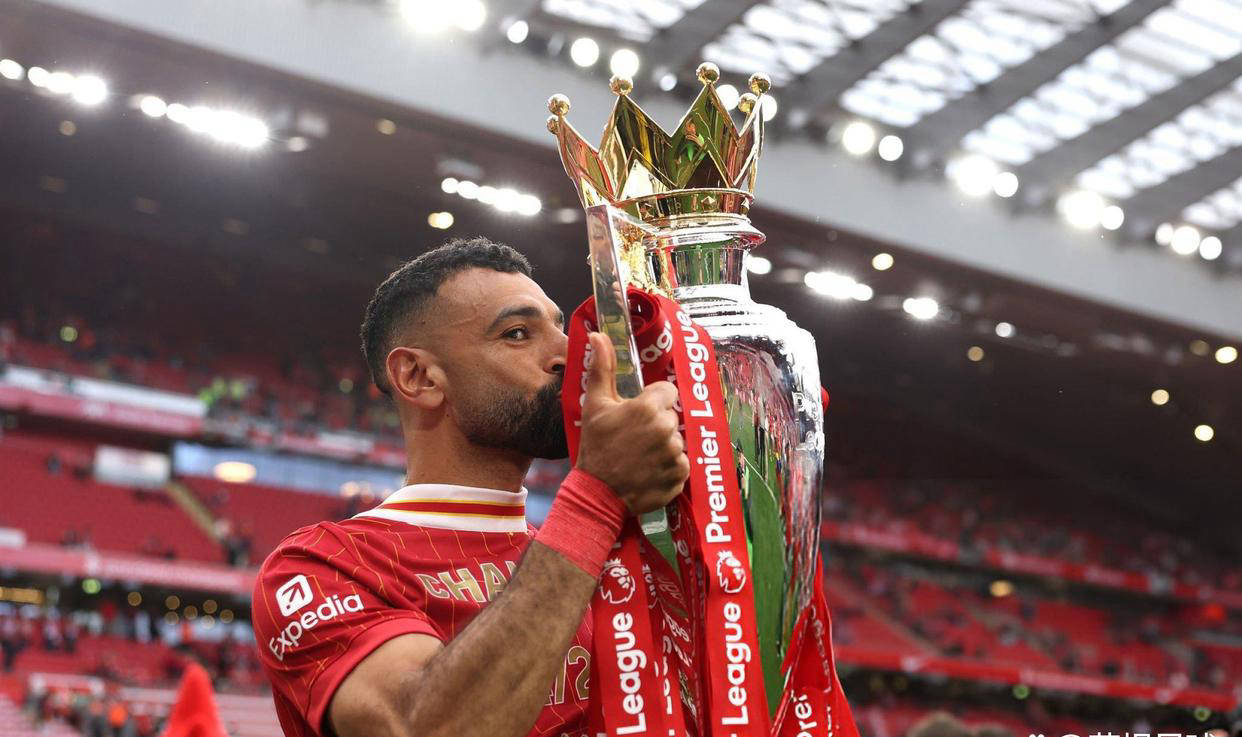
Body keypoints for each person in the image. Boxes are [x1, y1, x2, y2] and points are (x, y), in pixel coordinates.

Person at [252, 238, 689, 737]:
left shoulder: (597, 552)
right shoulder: (321, 567)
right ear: (418, 376)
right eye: (518, 333)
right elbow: (424, 729)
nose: (570, 354)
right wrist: (598, 496)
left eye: (561, 328)